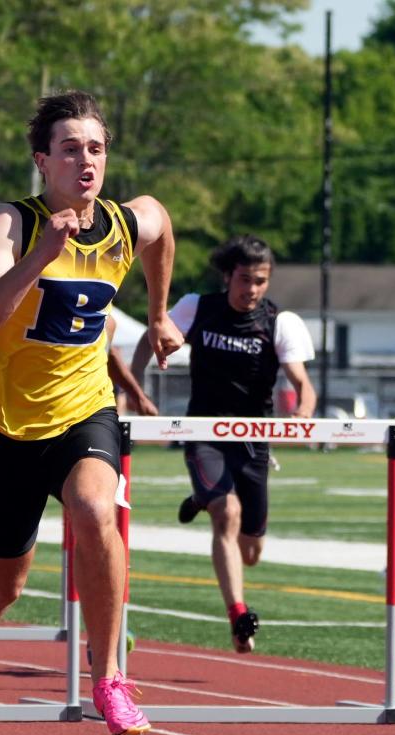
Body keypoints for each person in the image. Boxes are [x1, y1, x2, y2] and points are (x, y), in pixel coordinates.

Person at [0, 90, 183, 735]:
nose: (87, 161)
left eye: (97, 149)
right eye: (71, 149)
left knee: (94, 510)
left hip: (85, 411)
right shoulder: (11, 224)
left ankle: (108, 675)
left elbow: (160, 222)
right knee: (5, 581)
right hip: (7, 426)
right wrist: (38, 258)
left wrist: (159, 312)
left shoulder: (119, 223)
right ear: (42, 162)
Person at [132, 235, 315, 653]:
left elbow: (303, 384)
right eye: (245, 279)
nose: (251, 289)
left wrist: (303, 412)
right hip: (204, 432)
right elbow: (151, 336)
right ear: (228, 276)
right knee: (226, 513)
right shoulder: (199, 307)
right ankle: (238, 614)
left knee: (251, 550)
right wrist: (136, 387)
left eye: (261, 281)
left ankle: (202, 496)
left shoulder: (279, 321)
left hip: (253, 439)